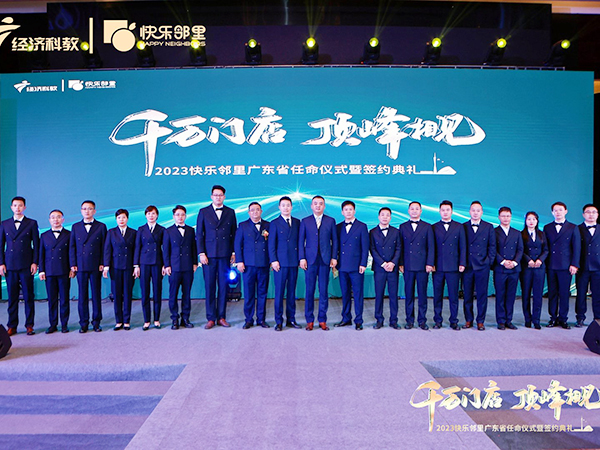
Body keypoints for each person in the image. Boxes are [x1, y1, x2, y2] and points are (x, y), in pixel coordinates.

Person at [196, 185, 237, 329]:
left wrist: (233, 252)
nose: (218, 197)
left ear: (224, 197)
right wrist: (201, 253)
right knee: (210, 286)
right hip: (208, 256)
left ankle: (221, 317)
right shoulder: (203, 212)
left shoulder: (230, 212)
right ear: (211, 197)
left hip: (225, 255)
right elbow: (199, 234)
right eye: (215, 195)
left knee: (223, 287)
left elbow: (234, 234)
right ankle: (210, 318)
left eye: (220, 195)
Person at [0, 196, 39, 336]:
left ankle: (29, 325)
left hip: (26, 264)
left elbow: (36, 245)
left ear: (24, 207)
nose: (17, 208)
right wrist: (1, 263)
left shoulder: (31, 223)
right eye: (15, 205)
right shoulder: (4, 224)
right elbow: (0, 245)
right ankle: (12, 325)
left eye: (20, 205)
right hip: (10, 265)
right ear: (11, 207)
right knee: (12, 297)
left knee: (28, 296)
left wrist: (35, 262)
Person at [299, 195, 338, 331]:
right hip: (310, 261)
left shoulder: (330, 221)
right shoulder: (305, 221)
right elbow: (301, 241)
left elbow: (335, 241)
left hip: (325, 260)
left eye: (321, 203)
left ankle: (322, 319)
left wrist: (334, 257)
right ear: (311, 206)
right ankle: (309, 320)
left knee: (323, 291)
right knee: (309, 291)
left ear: (324, 206)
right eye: (315, 203)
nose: (318, 206)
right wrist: (302, 258)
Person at [70, 200, 107, 333]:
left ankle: (96, 322)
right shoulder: (75, 227)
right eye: (84, 209)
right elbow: (72, 246)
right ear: (81, 211)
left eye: (90, 209)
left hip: (96, 265)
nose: (87, 211)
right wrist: (73, 264)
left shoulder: (101, 226)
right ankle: (83, 323)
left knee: (96, 294)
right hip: (80, 265)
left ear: (94, 211)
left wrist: (103, 262)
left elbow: (104, 247)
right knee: (82, 295)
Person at [543, 202, 581, 329]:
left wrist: (574, 264)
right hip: (551, 265)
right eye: (555, 210)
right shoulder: (547, 227)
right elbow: (545, 247)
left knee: (564, 293)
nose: (558, 212)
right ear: (552, 212)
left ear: (566, 211)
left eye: (560, 210)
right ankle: (553, 318)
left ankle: (563, 318)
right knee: (552, 293)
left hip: (566, 265)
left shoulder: (573, 227)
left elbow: (576, 248)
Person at [399, 201, 435, 330]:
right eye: (412, 209)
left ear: (421, 211)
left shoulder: (427, 226)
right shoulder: (403, 226)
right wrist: (401, 263)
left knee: (422, 294)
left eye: (417, 209)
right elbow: (400, 247)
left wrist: (430, 263)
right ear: (408, 211)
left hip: (422, 266)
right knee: (408, 294)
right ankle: (409, 320)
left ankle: (422, 320)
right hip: (408, 265)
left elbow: (431, 247)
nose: (414, 211)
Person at [268, 196, 301, 331]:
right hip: (280, 264)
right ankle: (279, 321)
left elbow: (300, 243)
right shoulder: (274, 223)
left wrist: (300, 258)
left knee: (292, 293)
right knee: (279, 293)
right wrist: (274, 260)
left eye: (288, 205)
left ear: (291, 207)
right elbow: (271, 244)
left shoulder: (297, 222)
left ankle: (291, 319)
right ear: (279, 207)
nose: (286, 208)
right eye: (283, 205)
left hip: (293, 262)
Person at [235, 202, 270, 329]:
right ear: (249, 212)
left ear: (261, 211)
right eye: (252, 210)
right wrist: (239, 261)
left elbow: (271, 245)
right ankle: (248, 319)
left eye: (257, 210)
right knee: (249, 293)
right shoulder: (243, 225)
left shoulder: (268, 225)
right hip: (248, 265)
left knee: (262, 293)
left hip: (263, 264)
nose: (255, 212)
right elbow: (237, 245)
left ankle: (261, 319)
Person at [335, 201, 369, 330]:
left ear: (354, 211)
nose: (348, 212)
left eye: (350, 209)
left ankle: (359, 320)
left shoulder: (362, 226)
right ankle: (346, 318)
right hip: (342, 266)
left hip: (356, 266)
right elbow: (336, 246)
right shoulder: (338, 227)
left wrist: (363, 263)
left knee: (358, 294)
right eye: (346, 210)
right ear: (342, 212)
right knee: (345, 294)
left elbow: (365, 247)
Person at [432, 200, 466, 330]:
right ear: (439, 211)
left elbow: (463, 247)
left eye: (448, 210)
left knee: (453, 296)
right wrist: (431, 263)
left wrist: (462, 263)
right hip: (438, 267)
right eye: (443, 210)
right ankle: (438, 320)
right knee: (437, 295)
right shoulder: (434, 227)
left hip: (453, 267)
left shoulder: (459, 227)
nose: (445, 212)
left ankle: (454, 321)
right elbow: (431, 248)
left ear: (452, 211)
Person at [462, 201, 496, 331]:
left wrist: (488, 261)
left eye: (478, 210)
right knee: (467, 294)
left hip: (482, 266)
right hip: (468, 266)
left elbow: (492, 246)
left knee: (482, 294)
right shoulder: (463, 226)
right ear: (469, 212)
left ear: (482, 212)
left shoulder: (488, 227)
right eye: (473, 210)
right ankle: (468, 319)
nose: (475, 213)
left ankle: (480, 321)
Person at [164, 205, 198, 330]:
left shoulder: (190, 230)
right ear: (174, 216)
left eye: (182, 214)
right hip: (174, 267)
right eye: (177, 215)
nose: (180, 217)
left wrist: (195, 263)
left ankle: (185, 318)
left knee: (186, 294)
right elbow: (166, 250)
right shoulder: (168, 231)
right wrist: (167, 265)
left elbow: (194, 247)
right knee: (173, 294)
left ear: (186, 216)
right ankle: (174, 319)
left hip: (188, 266)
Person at [39, 209, 73, 334]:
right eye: (53, 217)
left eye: (58, 217)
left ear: (63, 219)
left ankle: (64, 324)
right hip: (49, 271)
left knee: (64, 299)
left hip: (64, 270)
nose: (55, 219)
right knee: (52, 299)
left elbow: (71, 253)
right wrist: (41, 270)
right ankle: (53, 324)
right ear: (49, 220)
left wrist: (72, 268)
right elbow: (41, 254)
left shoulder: (69, 234)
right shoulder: (44, 235)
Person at [103, 209, 137, 331]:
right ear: (116, 219)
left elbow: (136, 251)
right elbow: (107, 250)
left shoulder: (133, 232)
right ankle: (118, 321)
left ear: (127, 218)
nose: (121, 220)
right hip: (115, 267)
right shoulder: (111, 232)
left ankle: (126, 320)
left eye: (123, 217)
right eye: (119, 218)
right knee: (116, 294)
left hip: (128, 267)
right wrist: (106, 266)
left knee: (127, 294)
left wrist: (136, 266)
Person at [134, 205, 165, 330]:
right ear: (145, 215)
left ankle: (156, 319)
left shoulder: (162, 229)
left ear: (157, 215)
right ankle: (146, 320)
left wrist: (165, 264)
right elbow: (137, 247)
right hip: (144, 263)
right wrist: (136, 265)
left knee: (157, 292)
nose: (151, 216)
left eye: (153, 213)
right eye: (148, 214)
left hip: (157, 263)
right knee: (145, 292)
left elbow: (165, 249)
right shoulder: (141, 229)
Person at [369, 207, 401, 329]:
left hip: (393, 268)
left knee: (393, 295)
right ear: (379, 217)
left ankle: (394, 320)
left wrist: (392, 263)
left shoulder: (396, 231)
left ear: (390, 217)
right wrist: (383, 264)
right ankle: (379, 319)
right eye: (382, 215)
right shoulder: (372, 232)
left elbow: (399, 248)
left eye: (387, 215)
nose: (385, 217)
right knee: (379, 295)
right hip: (379, 268)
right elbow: (372, 249)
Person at [493, 207, 523, 330]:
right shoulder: (494, 232)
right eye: (503, 216)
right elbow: (492, 249)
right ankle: (500, 321)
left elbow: (520, 249)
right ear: (499, 217)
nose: (506, 218)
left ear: (511, 217)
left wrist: (514, 262)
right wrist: (503, 261)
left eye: (508, 216)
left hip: (514, 269)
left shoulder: (517, 233)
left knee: (511, 296)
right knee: (500, 295)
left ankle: (508, 320)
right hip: (500, 268)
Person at [520, 211, 548, 330]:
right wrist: (528, 260)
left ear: (537, 221)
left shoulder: (542, 234)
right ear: (525, 221)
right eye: (529, 219)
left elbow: (546, 250)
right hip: (526, 268)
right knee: (526, 294)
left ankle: (536, 320)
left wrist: (540, 260)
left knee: (538, 295)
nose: (531, 221)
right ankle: (527, 319)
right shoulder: (521, 234)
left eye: (534, 219)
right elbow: (520, 250)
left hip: (539, 268)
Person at [576, 204, 600, 327]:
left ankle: (598, 318)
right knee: (581, 293)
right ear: (583, 214)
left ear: (597, 214)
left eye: (593, 212)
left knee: (598, 294)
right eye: (588, 212)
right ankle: (580, 317)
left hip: (598, 266)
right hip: (582, 266)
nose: (591, 214)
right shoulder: (577, 229)